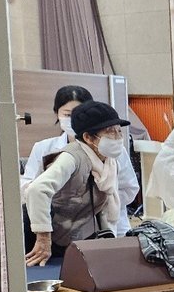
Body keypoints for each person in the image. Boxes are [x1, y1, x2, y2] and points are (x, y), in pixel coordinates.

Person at [23, 85, 139, 237]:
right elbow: (31, 187)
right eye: (67, 114)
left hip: (109, 223)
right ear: (57, 113)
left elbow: (129, 187)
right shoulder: (51, 150)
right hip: (61, 225)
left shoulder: (113, 149)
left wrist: (102, 200)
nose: (73, 119)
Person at [24, 101, 131, 267]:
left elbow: (106, 206)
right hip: (40, 234)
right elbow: (36, 190)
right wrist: (43, 238)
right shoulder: (72, 157)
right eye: (110, 132)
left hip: (72, 233)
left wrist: (109, 245)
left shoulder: (109, 161)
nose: (117, 138)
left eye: (119, 131)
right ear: (88, 137)